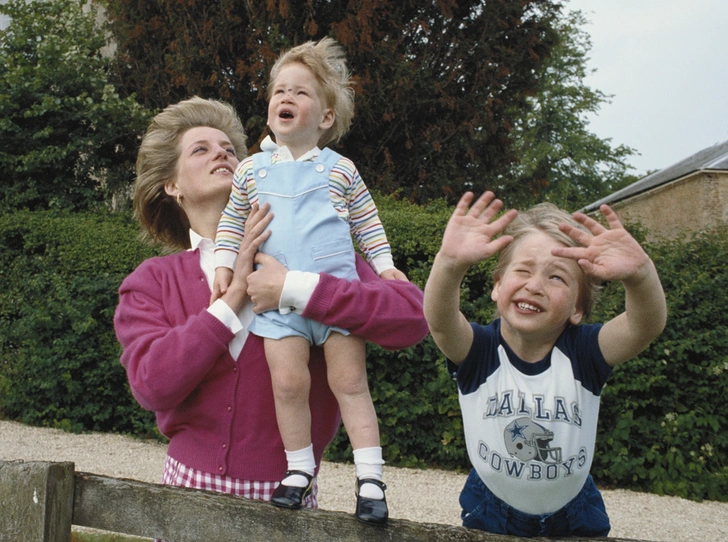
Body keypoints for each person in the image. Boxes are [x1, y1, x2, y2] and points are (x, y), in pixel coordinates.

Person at [113, 97, 428, 524]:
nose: (222, 153)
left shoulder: (322, 260)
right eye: (201, 149)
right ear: (172, 186)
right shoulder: (152, 281)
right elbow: (152, 386)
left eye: (228, 147)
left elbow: (412, 318)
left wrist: (297, 289)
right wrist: (233, 297)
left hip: (288, 507)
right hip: (184, 498)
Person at [212, 38, 403, 523]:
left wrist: (383, 267)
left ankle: (370, 478)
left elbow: (367, 223)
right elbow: (233, 224)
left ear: (325, 118)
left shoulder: (341, 170)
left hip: (336, 301)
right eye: (279, 91)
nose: (285, 98)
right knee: (289, 384)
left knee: (350, 383)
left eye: (300, 92)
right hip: (278, 308)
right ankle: (299, 471)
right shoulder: (251, 170)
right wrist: (225, 267)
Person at [423, 191, 666, 537]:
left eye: (556, 278)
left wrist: (640, 275)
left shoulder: (585, 353)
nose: (534, 285)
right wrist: (449, 263)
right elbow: (441, 321)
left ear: (577, 309)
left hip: (575, 509)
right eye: (522, 270)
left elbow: (645, 326)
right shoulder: (480, 351)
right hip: (492, 506)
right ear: (497, 286)